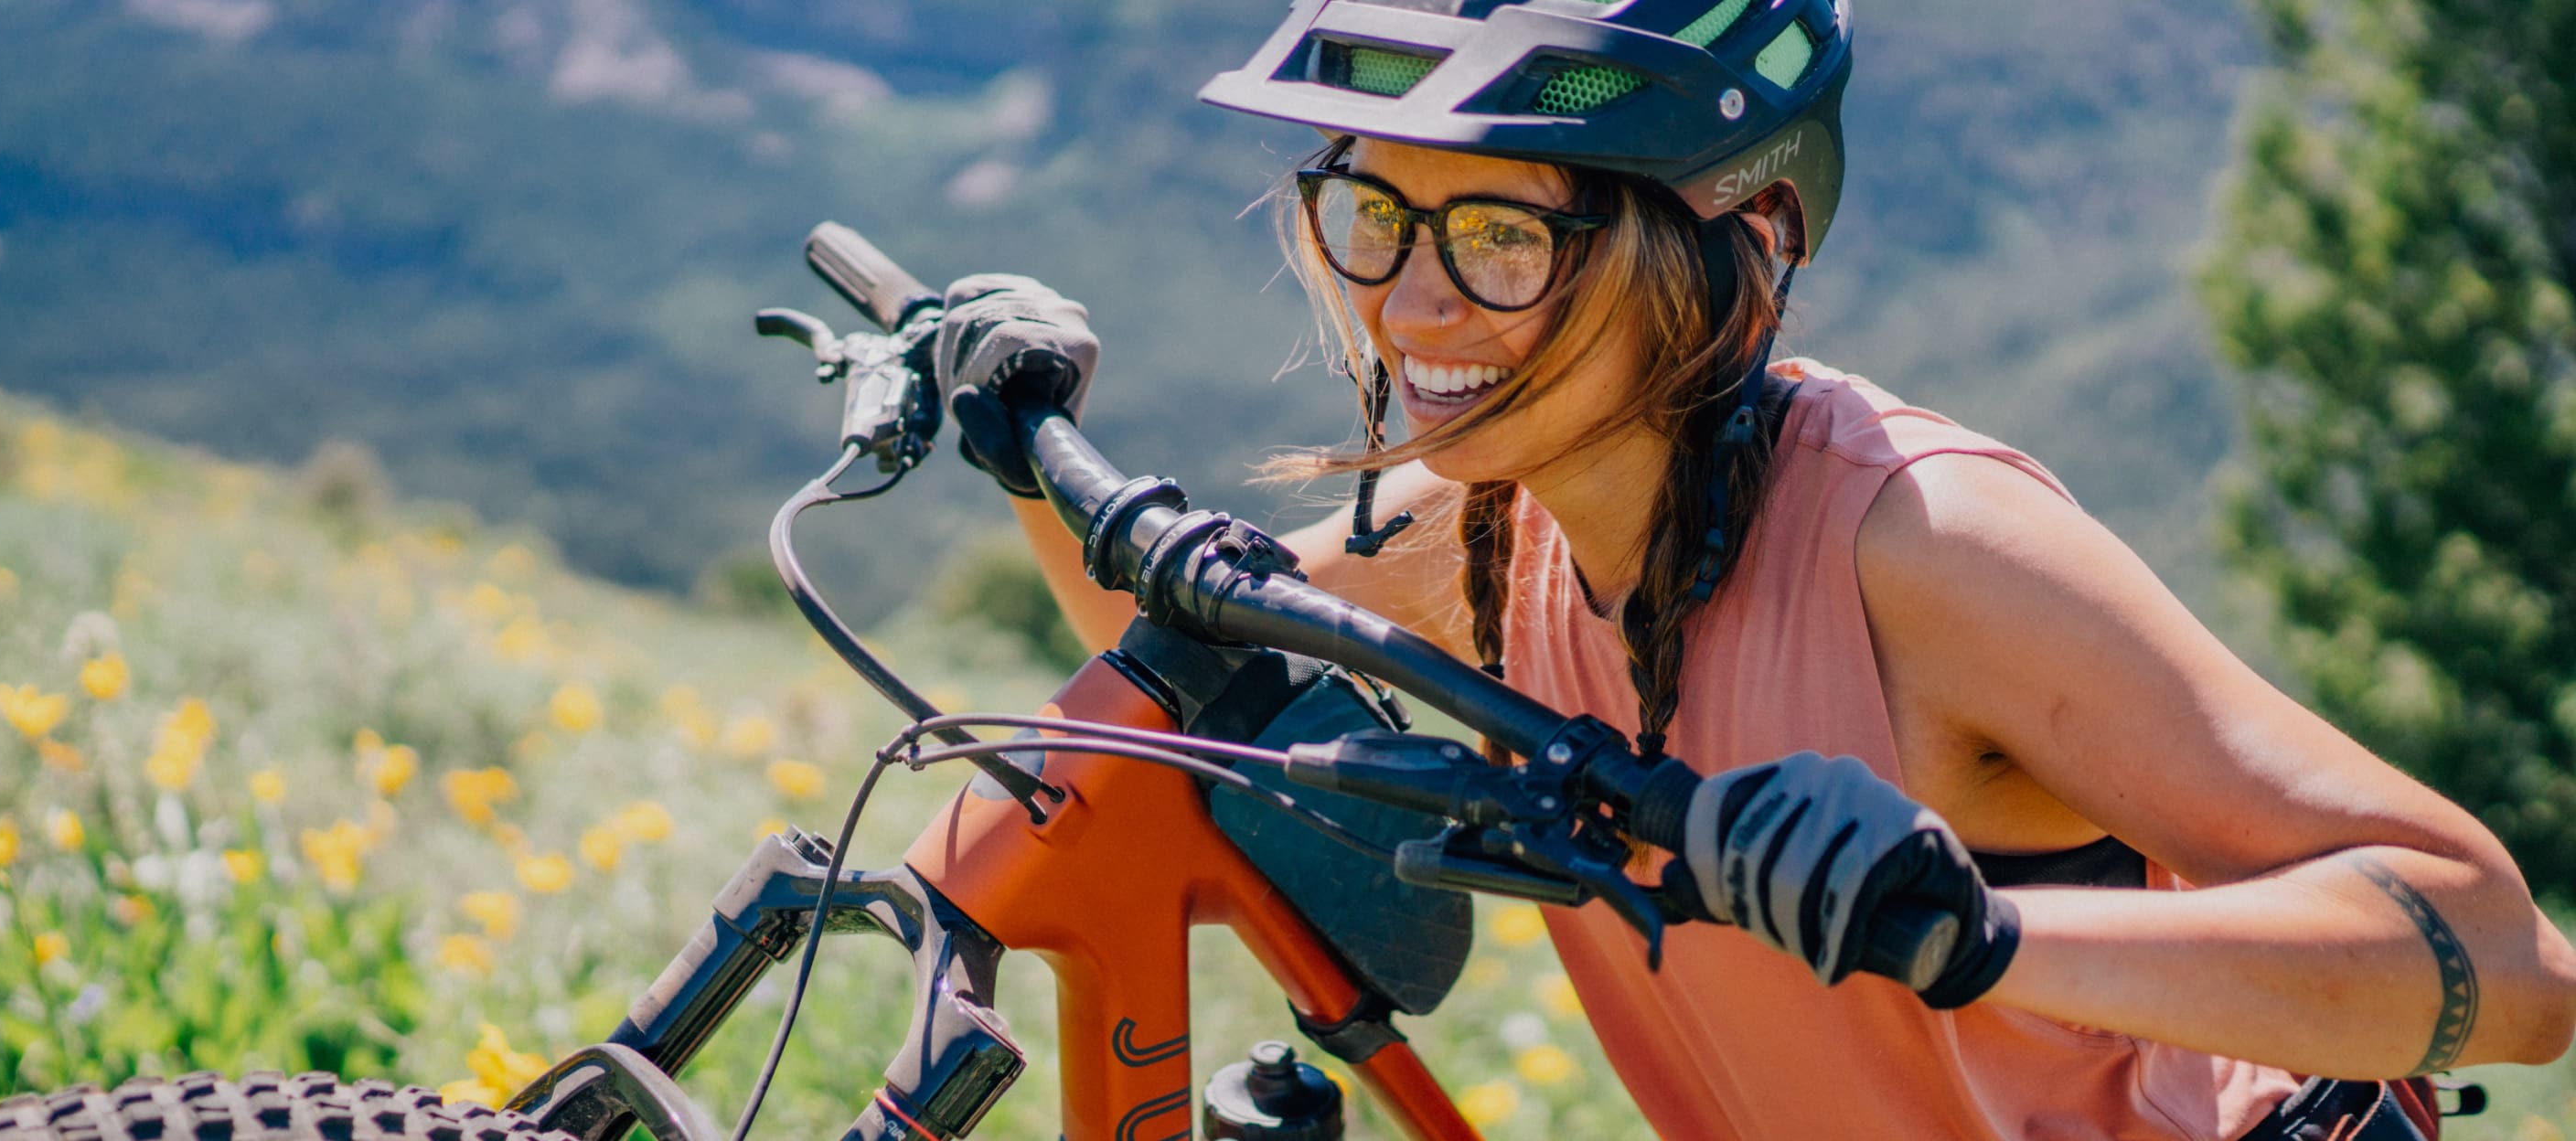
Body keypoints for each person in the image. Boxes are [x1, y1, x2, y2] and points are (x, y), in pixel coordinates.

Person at [925, 1, 2576, 1136]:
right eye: (1375, 214)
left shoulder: (1926, 548)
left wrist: (1983, 938)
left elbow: (2510, 972)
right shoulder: (1488, 524)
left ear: (1739, 246)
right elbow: (1191, 655)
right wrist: (1024, 449)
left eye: (1502, 237)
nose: (1410, 305)